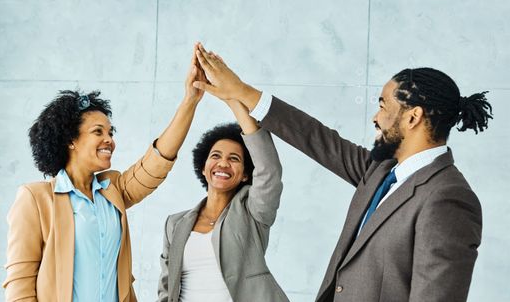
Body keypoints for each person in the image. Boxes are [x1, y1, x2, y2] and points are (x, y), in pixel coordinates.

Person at [192, 43, 493, 302]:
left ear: (413, 117)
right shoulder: (380, 171)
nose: (376, 118)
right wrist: (239, 91)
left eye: (383, 105)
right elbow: (316, 138)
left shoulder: (448, 199)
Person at [3, 45, 205, 302]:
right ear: (70, 140)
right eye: (98, 132)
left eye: (111, 133)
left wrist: (190, 100)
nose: (109, 140)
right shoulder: (35, 198)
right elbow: (19, 284)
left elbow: (157, 162)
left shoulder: (113, 190)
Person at [157, 98, 289, 302]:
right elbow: (166, 289)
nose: (223, 163)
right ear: (203, 166)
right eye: (215, 156)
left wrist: (233, 100)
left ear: (246, 174)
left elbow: (269, 170)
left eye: (234, 159)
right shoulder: (174, 224)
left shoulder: (253, 213)